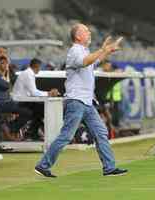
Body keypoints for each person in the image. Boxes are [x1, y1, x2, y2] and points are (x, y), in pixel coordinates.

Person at [35, 23, 128, 178]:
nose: (89, 32)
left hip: (87, 102)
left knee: (101, 133)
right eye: (86, 31)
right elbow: (85, 62)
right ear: (78, 36)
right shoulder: (74, 51)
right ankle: (43, 165)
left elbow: (94, 62)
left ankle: (109, 168)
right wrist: (102, 50)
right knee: (66, 136)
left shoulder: (84, 51)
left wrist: (107, 52)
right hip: (76, 101)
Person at [0, 51, 32, 138]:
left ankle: (11, 127)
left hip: (4, 102)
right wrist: (5, 71)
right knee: (28, 111)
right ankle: (12, 128)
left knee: (28, 110)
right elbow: (6, 85)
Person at [12, 58, 59, 140]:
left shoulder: (28, 73)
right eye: (39, 67)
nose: (40, 69)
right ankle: (31, 132)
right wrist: (49, 93)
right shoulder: (28, 74)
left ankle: (32, 132)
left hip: (23, 100)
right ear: (37, 66)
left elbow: (33, 92)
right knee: (41, 109)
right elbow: (34, 93)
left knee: (40, 110)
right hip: (20, 102)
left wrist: (48, 93)